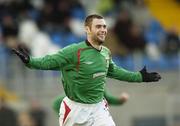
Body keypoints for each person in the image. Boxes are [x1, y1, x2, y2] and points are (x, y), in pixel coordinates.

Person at [12, 14, 161, 126]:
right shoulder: (74, 51)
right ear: (87, 29)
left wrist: (140, 77)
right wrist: (30, 61)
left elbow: (115, 71)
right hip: (75, 109)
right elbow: (50, 62)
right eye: (98, 26)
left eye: (104, 26)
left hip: (98, 108)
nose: (103, 30)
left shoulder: (105, 52)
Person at [52, 91, 129, 116]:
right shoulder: (80, 86)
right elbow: (56, 103)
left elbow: (108, 98)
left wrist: (120, 101)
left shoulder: (99, 83)